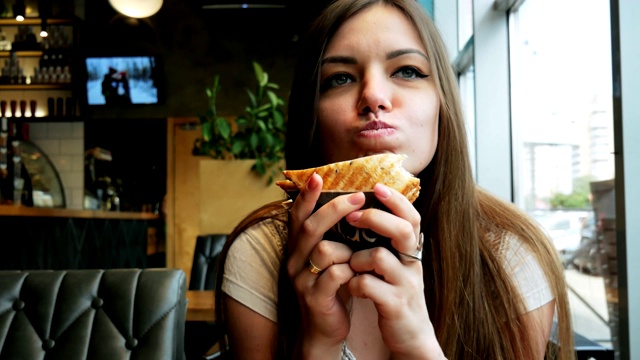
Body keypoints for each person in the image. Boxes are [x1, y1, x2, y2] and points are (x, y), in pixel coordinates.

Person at [215, 0, 575, 359]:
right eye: (339, 78)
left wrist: (417, 344)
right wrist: (317, 344)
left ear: (442, 102)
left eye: (407, 71)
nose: (373, 96)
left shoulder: (509, 256)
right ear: (312, 116)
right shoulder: (263, 254)